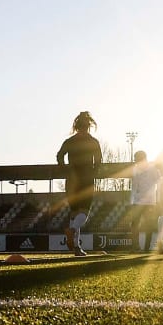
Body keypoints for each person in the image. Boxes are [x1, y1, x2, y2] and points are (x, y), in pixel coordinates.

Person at [56, 110, 102, 257]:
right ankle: (72, 232)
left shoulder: (70, 141)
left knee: (74, 213)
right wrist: (93, 173)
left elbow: (59, 156)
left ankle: (77, 247)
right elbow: (99, 161)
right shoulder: (93, 142)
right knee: (84, 213)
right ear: (88, 126)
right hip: (86, 180)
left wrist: (66, 170)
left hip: (71, 180)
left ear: (76, 126)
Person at [129, 150, 161, 252]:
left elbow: (159, 182)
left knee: (149, 225)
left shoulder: (153, 169)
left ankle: (147, 248)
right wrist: (132, 200)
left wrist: (158, 199)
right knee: (134, 224)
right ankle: (135, 247)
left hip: (150, 202)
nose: (135, 161)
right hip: (137, 202)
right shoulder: (135, 169)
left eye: (137, 159)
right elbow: (134, 186)